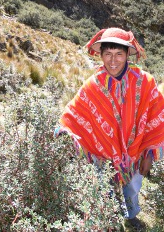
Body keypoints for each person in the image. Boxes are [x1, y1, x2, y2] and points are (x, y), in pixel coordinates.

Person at [55, 27, 164, 230]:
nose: (113, 61)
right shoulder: (93, 85)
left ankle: (131, 214)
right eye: (108, 54)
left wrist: (149, 152)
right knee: (105, 187)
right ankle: (110, 219)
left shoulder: (145, 82)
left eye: (119, 54)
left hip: (136, 150)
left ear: (127, 55)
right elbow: (74, 113)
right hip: (103, 152)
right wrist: (64, 131)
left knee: (132, 186)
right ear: (101, 55)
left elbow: (155, 118)